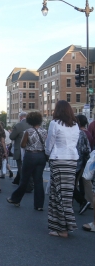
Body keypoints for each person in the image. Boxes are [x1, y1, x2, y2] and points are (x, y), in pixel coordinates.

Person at [45, 100, 79, 238]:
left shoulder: (55, 124)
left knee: (56, 194)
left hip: (58, 159)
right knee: (66, 194)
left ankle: (60, 228)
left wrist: (47, 154)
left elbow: (49, 143)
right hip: (72, 161)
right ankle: (68, 224)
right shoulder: (76, 125)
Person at [7, 111, 47, 210]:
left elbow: (23, 145)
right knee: (38, 180)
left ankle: (15, 199)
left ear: (30, 120)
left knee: (24, 179)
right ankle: (39, 205)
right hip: (41, 156)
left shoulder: (28, 131)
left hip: (30, 156)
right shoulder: (45, 131)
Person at [73, 114, 91, 215]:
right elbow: (87, 149)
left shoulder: (73, 132)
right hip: (80, 162)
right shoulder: (83, 133)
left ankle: (82, 201)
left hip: (71, 161)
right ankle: (81, 201)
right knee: (73, 183)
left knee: (70, 184)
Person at [9, 111, 30, 185]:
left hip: (20, 150)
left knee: (21, 167)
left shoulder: (19, 125)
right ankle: (17, 180)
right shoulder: (32, 124)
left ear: (20, 117)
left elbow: (11, 137)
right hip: (30, 150)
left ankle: (23, 184)